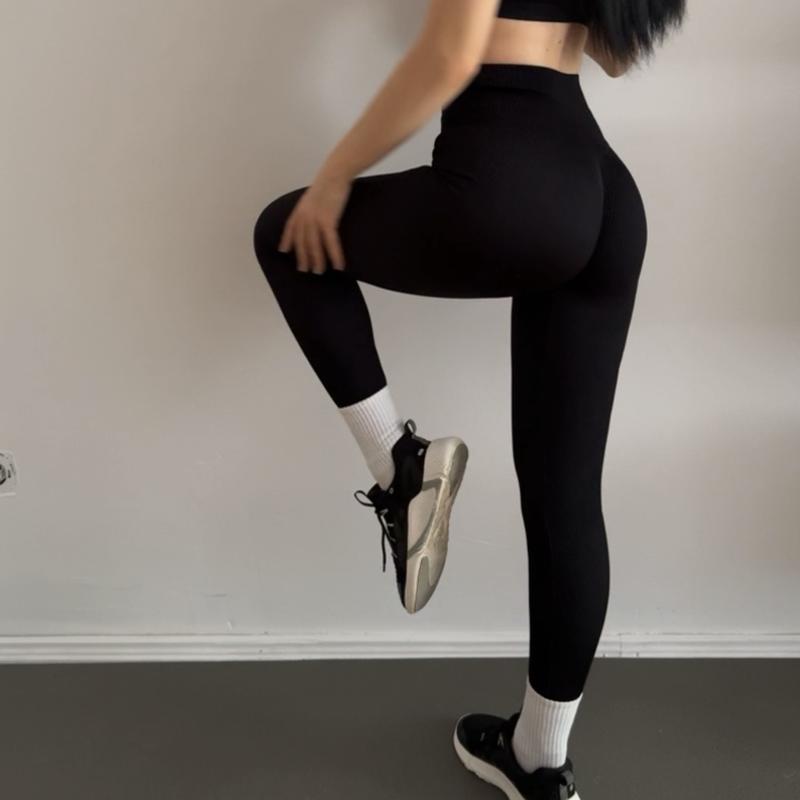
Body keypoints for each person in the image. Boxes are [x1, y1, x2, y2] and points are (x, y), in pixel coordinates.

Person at [252, 0, 687, 797]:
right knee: (565, 497)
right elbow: (616, 54)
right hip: (600, 191)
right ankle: (538, 761)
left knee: (288, 234)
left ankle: (401, 464)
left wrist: (335, 176)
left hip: (514, 172)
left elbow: (450, 56)